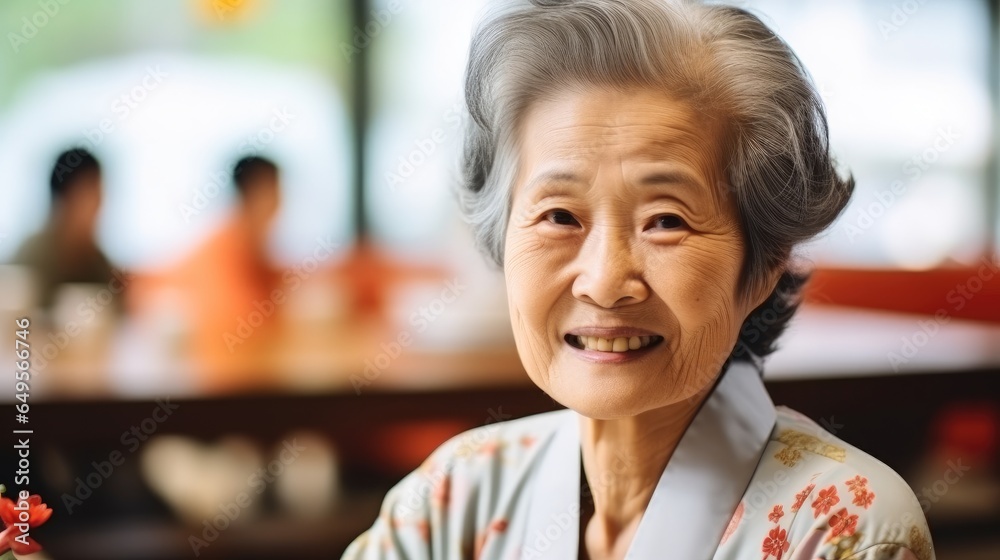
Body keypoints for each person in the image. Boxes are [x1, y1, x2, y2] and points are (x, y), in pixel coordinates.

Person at [344, 1, 934, 559]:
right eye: (559, 216)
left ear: (763, 265)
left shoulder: (845, 528)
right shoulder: (452, 497)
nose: (603, 283)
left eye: (665, 221)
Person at [14, 148, 114, 309]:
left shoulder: (96, 260)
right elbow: (20, 326)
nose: (101, 204)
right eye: (93, 193)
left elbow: (116, 311)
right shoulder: (32, 257)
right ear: (65, 198)